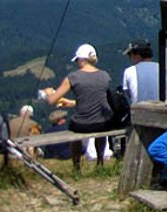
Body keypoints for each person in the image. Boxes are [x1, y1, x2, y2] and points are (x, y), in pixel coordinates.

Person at [40, 43, 117, 171]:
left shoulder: (73, 77)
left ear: (81, 59)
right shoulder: (105, 76)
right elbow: (96, 99)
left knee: (74, 127)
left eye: (77, 60)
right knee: (101, 130)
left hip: (82, 124)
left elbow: (52, 101)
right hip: (102, 122)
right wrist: (72, 102)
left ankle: (76, 165)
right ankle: (100, 162)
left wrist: (48, 93)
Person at [121, 39, 161, 105]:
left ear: (137, 55)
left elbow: (128, 95)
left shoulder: (129, 71)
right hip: (161, 110)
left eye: (129, 55)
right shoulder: (161, 68)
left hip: (138, 111)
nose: (129, 58)